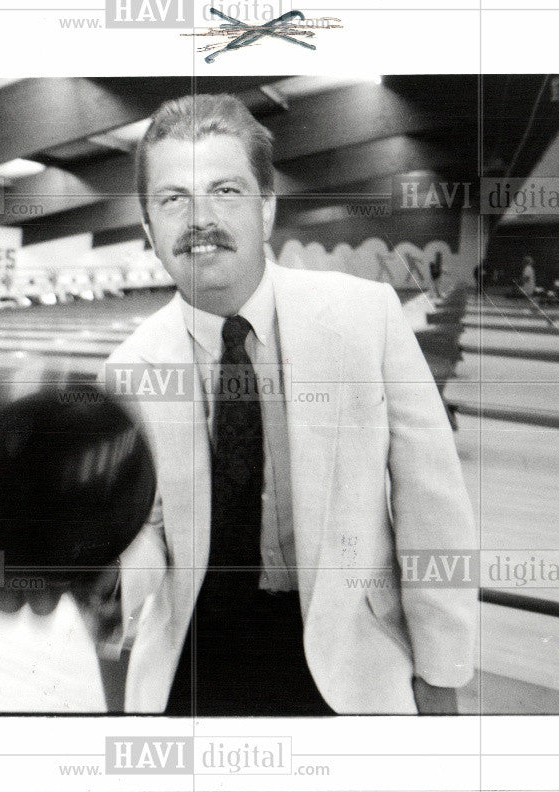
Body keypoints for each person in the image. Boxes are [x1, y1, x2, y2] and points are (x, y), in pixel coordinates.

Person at [101, 94, 477, 715]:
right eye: (172, 199)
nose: (200, 218)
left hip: (352, 654)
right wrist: (107, 583)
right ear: (148, 229)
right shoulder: (127, 371)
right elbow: (151, 530)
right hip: (197, 657)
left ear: (267, 209)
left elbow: (432, 507)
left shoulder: (366, 318)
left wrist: (442, 672)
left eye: (226, 191)